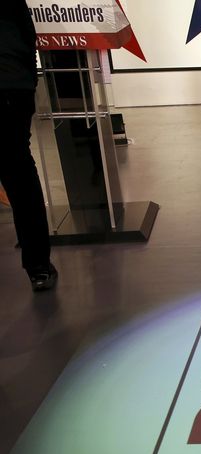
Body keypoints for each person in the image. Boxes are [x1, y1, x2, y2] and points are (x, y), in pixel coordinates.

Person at [0, 0, 57, 291]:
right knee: (19, 174)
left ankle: (39, 266)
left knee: (19, 173)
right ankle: (38, 268)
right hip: (12, 83)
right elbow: (25, 33)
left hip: (10, 81)